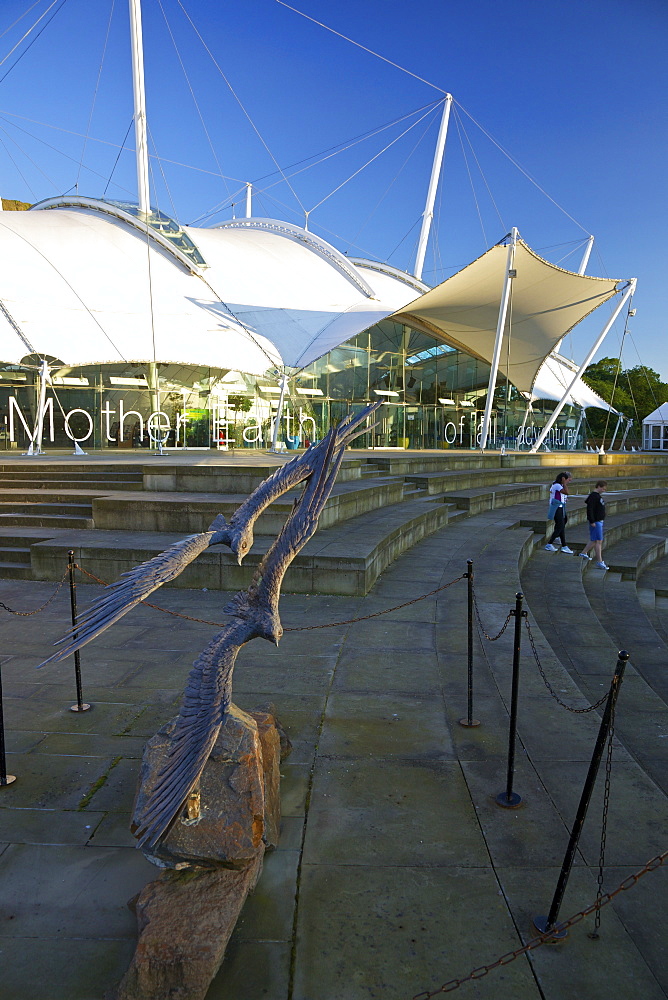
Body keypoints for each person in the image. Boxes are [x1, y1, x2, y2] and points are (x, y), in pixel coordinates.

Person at [579, 480, 608, 570]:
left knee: (594, 540)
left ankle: (583, 553)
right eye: (603, 488)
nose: (604, 490)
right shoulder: (593, 496)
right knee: (598, 541)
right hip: (596, 522)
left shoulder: (597, 496)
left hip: (598, 521)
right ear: (598, 486)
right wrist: (592, 521)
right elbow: (590, 509)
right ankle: (599, 561)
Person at [545, 471, 574, 553]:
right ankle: (550, 543)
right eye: (566, 479)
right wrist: (564, 483)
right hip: (557, 507)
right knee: (560, 525)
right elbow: (566, 492)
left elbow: (562, 495)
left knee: (562, 524)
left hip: (561, 507)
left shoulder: (558, 485)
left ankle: (564, 545)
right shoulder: (557, 485)